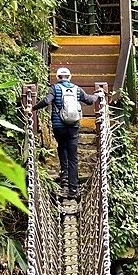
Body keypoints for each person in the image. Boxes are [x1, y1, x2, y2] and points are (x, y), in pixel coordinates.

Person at [26, 67, 99, 197]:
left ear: (58, 77)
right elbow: (89, 100)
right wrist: (98, 95)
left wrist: (32, 108)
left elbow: (47, 101)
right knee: (73, 157)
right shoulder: (76, 89)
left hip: (58, 127)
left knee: (61, 146)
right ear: (69, 77)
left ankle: (64, 173)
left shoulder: (54, 88)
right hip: (73, 127)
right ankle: (73, 189)